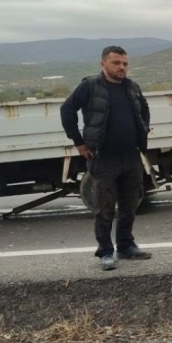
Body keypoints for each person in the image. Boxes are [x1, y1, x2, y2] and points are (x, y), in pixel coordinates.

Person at [60, 46, 152, 270]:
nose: (122, 67)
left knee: (130, 204)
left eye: (125, 64)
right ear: (103, 64)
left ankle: (126, 246)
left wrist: (143, 132)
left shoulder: (132, 87)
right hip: (103, 158)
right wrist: (78, 142)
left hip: (130, 156)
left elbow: (144, 110)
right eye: (116, 63)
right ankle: (105, 252)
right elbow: (67, 109)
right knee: (104, 208)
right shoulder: (90, 86)